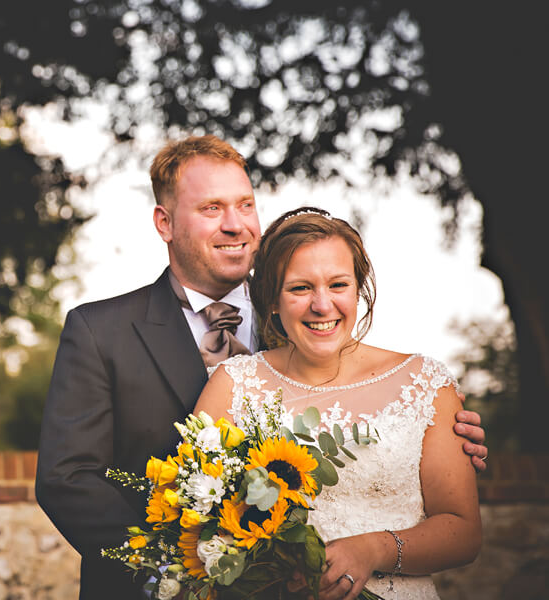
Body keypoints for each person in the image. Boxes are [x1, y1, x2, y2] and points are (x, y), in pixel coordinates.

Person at [35, 136, 487, 600]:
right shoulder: (99, 330)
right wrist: (179, 570)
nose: (236, 225)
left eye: (245, 204)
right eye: (212, 208)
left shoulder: (305, 310)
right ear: (164, 222)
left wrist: (437, 432)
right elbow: (66, 480)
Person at [194, 206, 482, 599]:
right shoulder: (231, 385)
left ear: (359, 289)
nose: (322, 305)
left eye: (338, 285)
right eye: (300, 288)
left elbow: (463, 533)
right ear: (273, 301)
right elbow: (194, 519)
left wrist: (374, 548)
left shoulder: (425, 385)